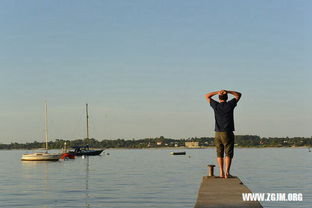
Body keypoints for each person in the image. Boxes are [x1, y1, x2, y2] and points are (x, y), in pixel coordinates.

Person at [205, 90, 241, 178]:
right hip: (227, 132)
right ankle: (227, 173)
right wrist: (228, 91)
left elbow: (207, 96)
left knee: (219, 153)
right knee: (228, 153)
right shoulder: (230, 104)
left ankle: (221, 172)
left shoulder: (216, 105)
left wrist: (217, 92)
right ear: (227, 98)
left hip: (217, 133)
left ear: (219, 98)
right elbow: (238, 95)